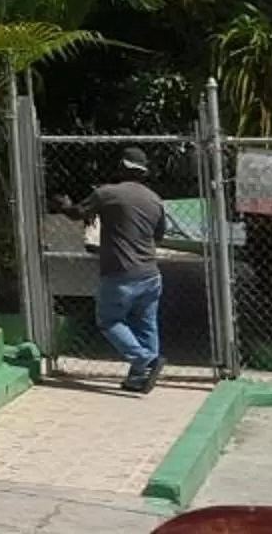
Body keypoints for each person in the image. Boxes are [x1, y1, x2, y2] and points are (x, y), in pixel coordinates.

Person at [64, 148, 169, 393]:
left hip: (120, 273)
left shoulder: (107, 193)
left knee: (109, 321)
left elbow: (77, 213)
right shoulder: (155, 199)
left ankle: (144, 360)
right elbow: (159, 236)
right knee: (146, 324)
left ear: (122, 166)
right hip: (151, 274)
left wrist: (64, 205)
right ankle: (137, 379)